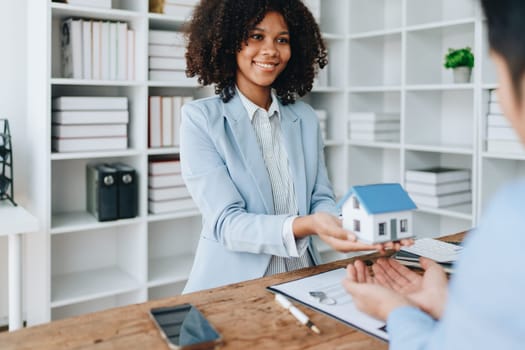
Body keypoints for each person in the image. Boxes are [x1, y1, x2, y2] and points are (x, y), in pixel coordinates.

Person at [180, 0, 409, 293]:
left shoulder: (305, 118)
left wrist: (349, 226)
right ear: (227, 42)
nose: (271, 50)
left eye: (282, 40)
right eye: (256, 36)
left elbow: (321, 197)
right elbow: (226, 224)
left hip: (302, 277)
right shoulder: (201, 119)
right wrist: (308, 225)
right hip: (234, 286)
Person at [342, 0, 525, 348]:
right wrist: (449, 304)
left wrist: (396, 310)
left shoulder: (512, 223)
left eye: (498, 73)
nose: (499, 96)